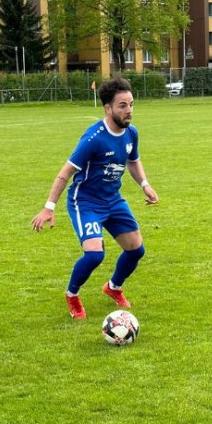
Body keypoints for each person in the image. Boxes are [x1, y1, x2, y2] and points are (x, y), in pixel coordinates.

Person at [30, 77, 160, 319]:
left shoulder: (131, 133)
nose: (129, 110)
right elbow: (65, 173)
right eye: (122, 105)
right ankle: (72, 295)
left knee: (136, 250)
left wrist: (145, 184)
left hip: (113, 200)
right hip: (86, 202)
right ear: (108, 108)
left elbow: (133, 160)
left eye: (131, 104)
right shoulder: (94, 138)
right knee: (94, 255)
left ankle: (113, 287)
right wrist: (49, 208)